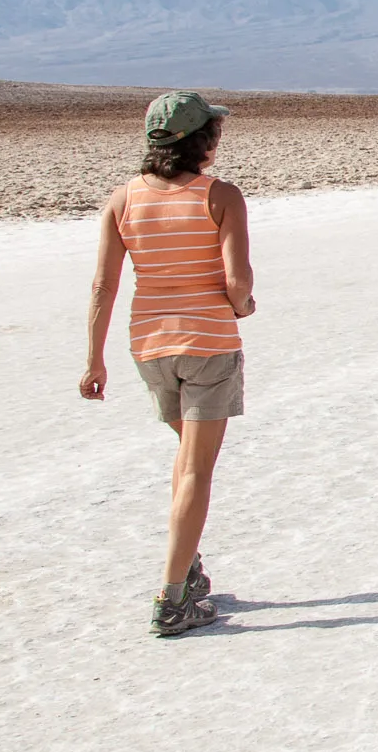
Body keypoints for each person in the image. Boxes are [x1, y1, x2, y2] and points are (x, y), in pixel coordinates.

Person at [79, 90, 257, 638]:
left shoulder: (123, 199)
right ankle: (173, 598)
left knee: (184, 463)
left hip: (149, 346)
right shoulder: (221, 196)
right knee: (196, 471)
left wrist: (94, 361)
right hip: (207, 345)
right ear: (204, 140)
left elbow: (104, 284)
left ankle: (190, 568)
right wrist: (243, 306)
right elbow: (237, 284)